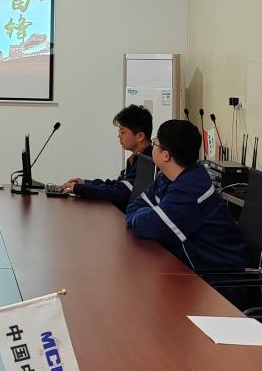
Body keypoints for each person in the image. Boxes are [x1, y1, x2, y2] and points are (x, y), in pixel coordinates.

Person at [124, 119, 247, 273]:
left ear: (166, 155)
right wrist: (150, 214)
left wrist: (149, 215)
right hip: (188, 266)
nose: (152, 145)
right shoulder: (168, 177)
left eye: (155, 143)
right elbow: (135, 206)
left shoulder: (190, 190)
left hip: (215, 276)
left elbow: (149, 226)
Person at [60, 105, 153, 209]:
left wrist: (79, 189)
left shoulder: (148, 162)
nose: (119, 136)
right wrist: (84, 183)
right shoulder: (136, 158)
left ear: (140, 136)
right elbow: (116, 185)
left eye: (122, 132)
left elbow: (119, 193)